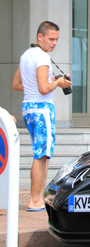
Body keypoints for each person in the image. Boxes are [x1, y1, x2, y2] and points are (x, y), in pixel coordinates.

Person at [11, 21, 72, 212]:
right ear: (40, 37)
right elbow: (44, 89)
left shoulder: (26, 55)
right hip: (42, 109)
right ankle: (35, 200)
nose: (54, 43)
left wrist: (50, 82)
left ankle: (36, 198)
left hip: (28, 107)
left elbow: (17, 84)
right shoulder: (43, 58)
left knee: (41, 153)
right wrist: (58, 82)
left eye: (56, 40)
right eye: (51, 39)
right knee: (42, 154)